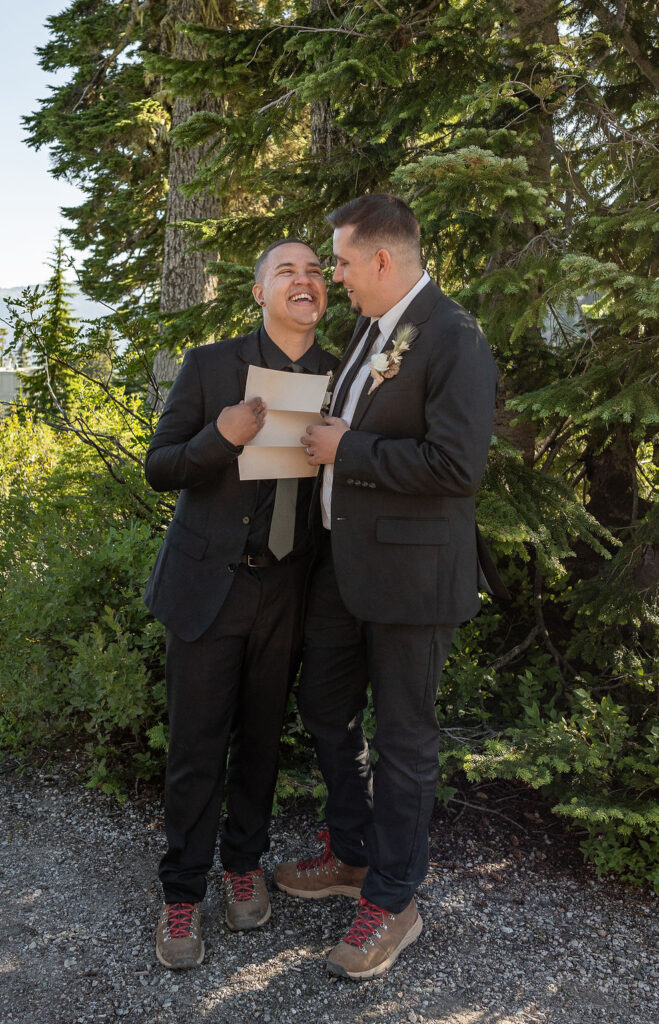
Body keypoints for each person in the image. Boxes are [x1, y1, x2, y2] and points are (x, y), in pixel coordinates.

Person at [274, 194, 505, 980]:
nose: (331, 275)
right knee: (323, 709)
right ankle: (351, 853)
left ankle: (395, 898)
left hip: (413, 577)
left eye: (338, 261)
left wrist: (351, 448)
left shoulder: (454, 336)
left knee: (404, 741)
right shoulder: (371, 331)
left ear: (380, 259)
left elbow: (456, 467)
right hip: (346, 566)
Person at [144, 239, 337, 970]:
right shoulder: (210, 365)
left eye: (316, 270)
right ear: (258, 292)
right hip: (208, 586)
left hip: (289, 587)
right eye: (286, 269)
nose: (305, 278)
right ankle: (181, 892)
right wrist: (217, 438)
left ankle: (243, 862)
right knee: (196, 747)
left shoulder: (340, 377)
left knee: (261, 740)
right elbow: (161, 466)